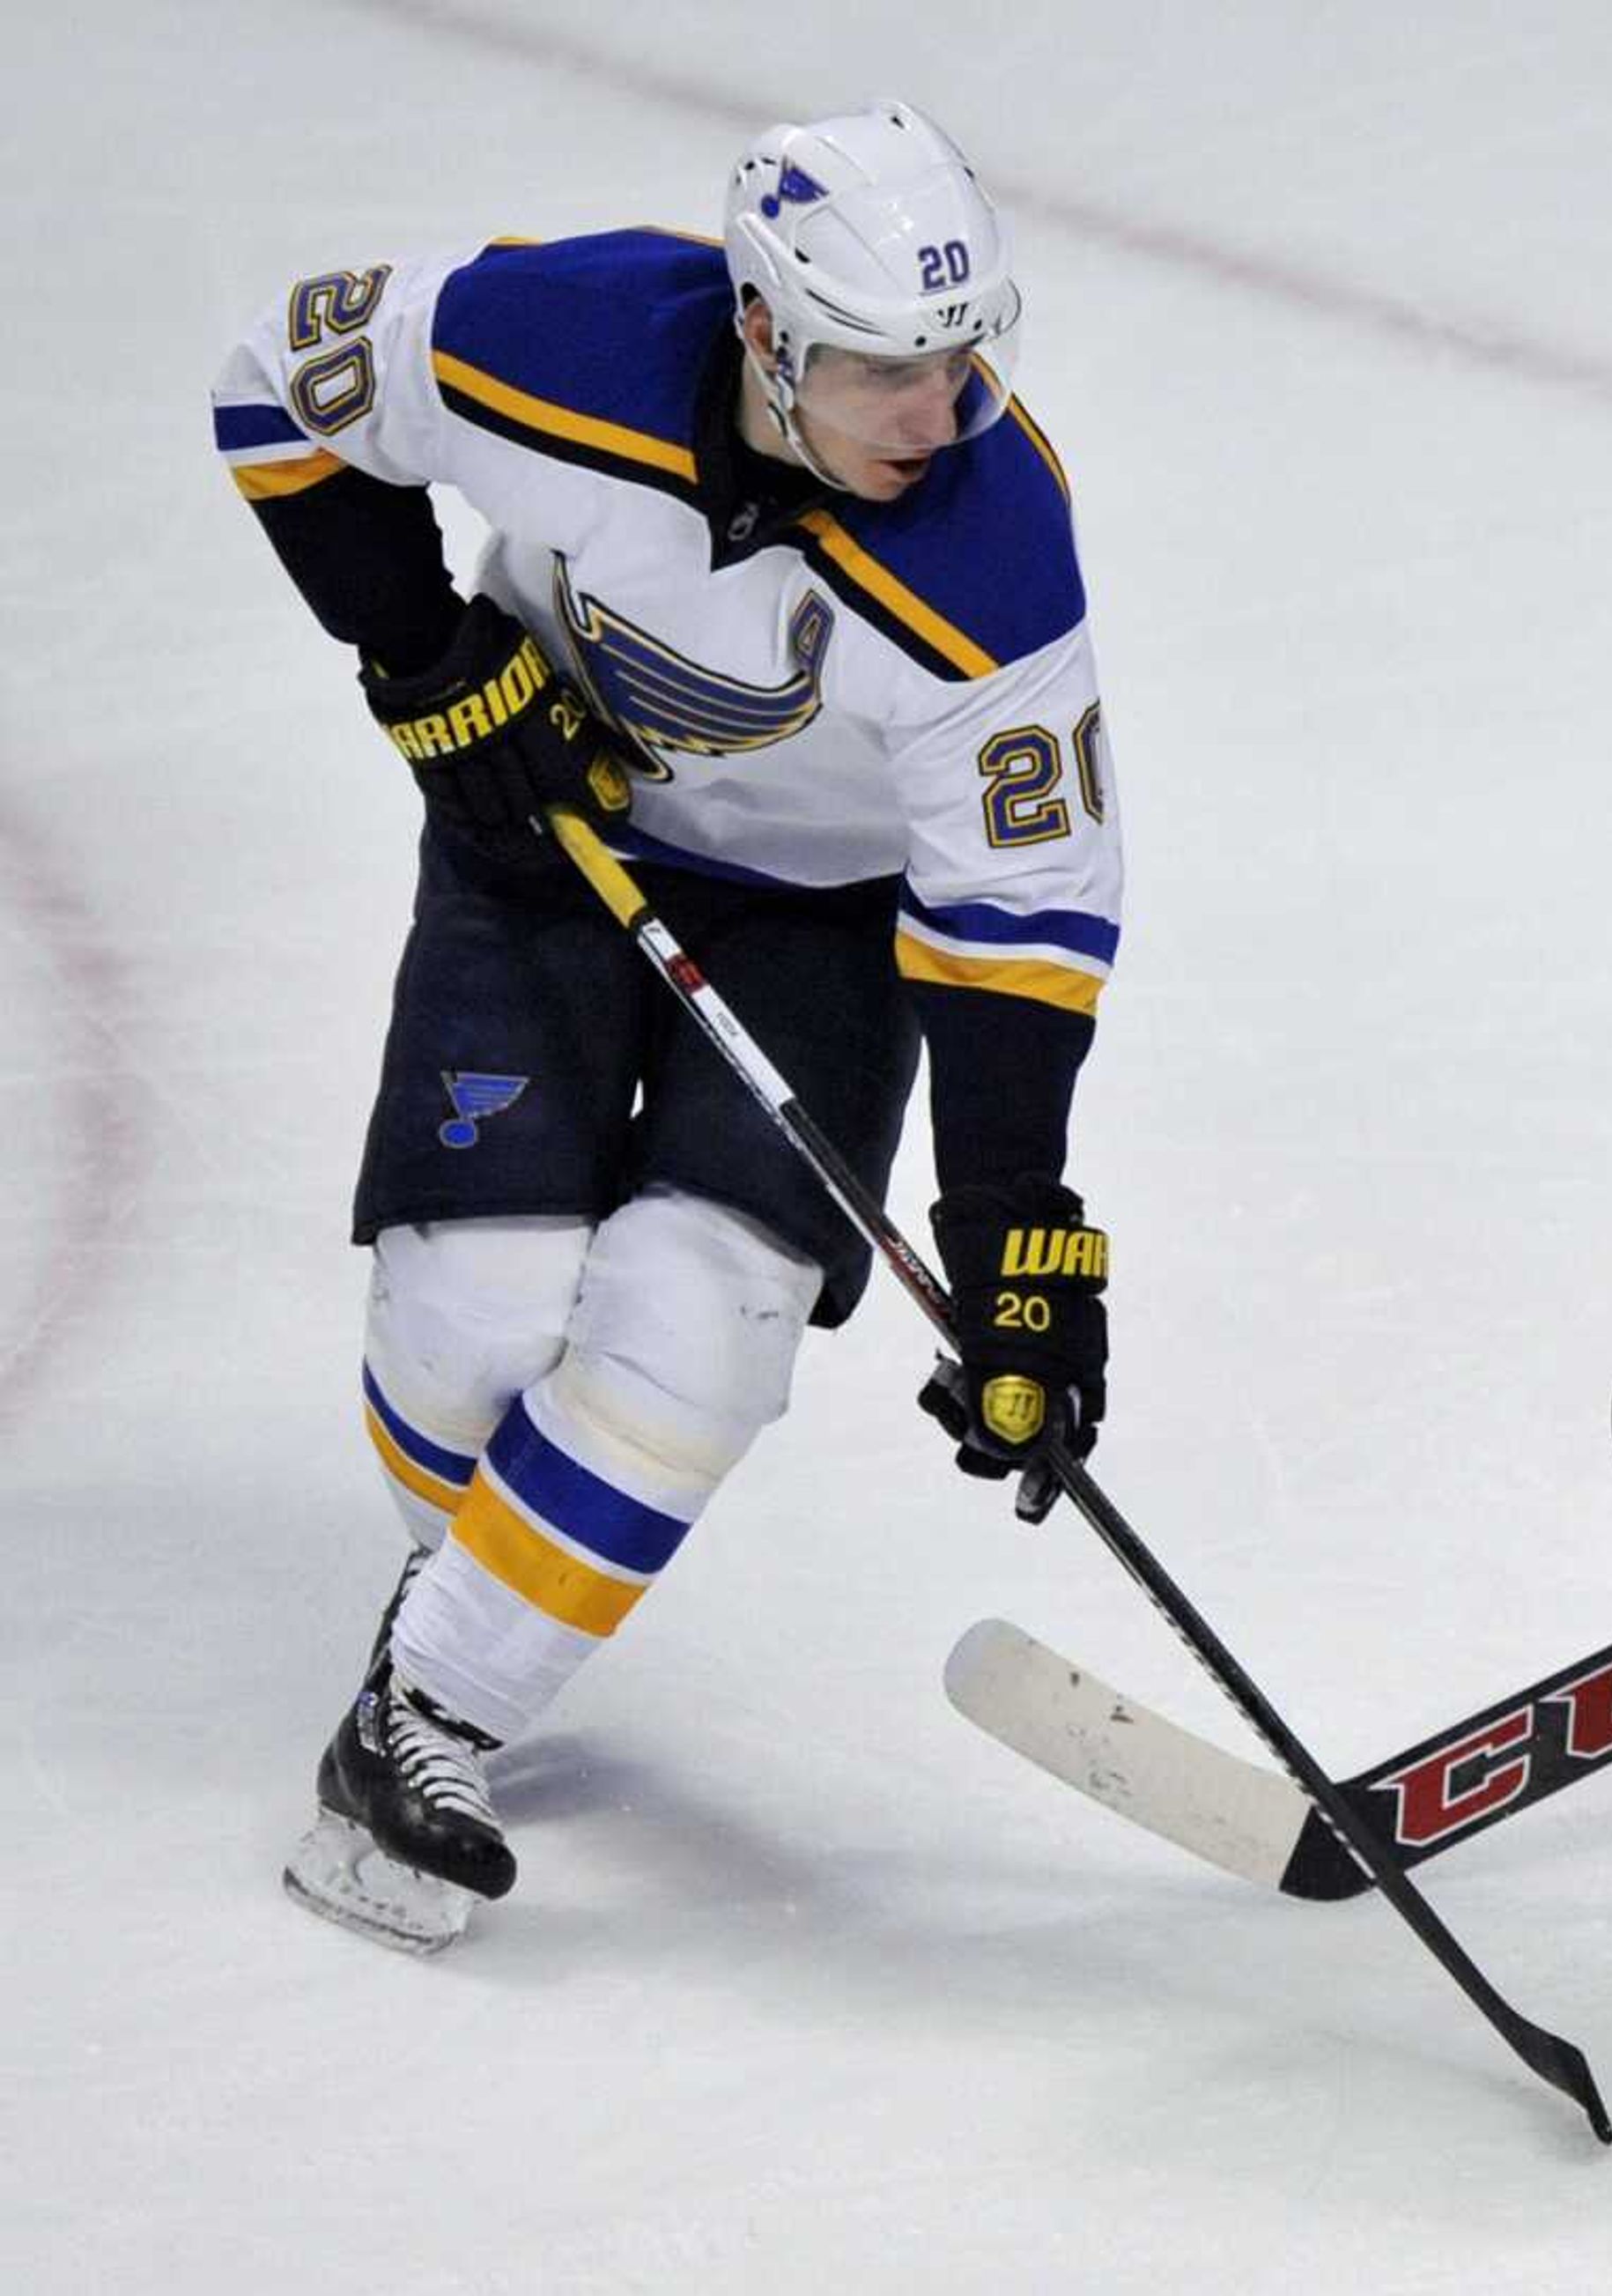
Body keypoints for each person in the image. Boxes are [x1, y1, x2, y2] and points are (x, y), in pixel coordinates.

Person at [216, 101, 1122, 1952]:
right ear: (766, 334)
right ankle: (484, 1597)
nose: (932, 416)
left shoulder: (997, 549)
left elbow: (1018, 923)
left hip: (822, 925)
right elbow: (270, 395)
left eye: (959, 363)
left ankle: (422, 1718)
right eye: (881, 370)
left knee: (695, 1329)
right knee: (472, 1355)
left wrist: (1016, 1235)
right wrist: (426, 662)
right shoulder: (559, 342)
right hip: (540, 837)